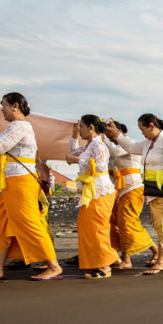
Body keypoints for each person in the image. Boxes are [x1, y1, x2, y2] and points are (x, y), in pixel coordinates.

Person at [107, 114, 163, 274]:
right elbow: (130, 147)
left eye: (143, 129)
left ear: (151, 126)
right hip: (153, 188)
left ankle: (161, 261)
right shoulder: (148, 143)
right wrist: (116, 134)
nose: (142, 133)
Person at [0, 92, 62, 281]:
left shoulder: (19, 126)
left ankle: (54, 266)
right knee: (3, 225)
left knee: (29, 223)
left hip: (20, 181)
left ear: (15, 106)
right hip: (12, 182)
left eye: (4, 105)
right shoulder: (16, 126)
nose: (2, 109)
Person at [66, 115, 119, 279]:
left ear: (90, 127)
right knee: (86, 227)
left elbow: (101, 166)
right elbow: (74, 153)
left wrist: (78, 162)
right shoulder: (89, 145)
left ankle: (104, 265)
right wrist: (74, 137)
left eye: (81, 127)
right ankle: (107, 258)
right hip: (92, 191)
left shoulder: (99, 145)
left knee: (97, 228)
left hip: (100, 190)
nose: (80, 130)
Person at [104, 121, 159, 269]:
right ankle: (123, 256)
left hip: (132, 188)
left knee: (128, 223)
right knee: (119, 223)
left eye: (110, 132)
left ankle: (148, 252)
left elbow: (115, 152)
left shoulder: (129, 144)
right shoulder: (114, 146)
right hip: (120, 189)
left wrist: (101, 137)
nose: (109, 137)